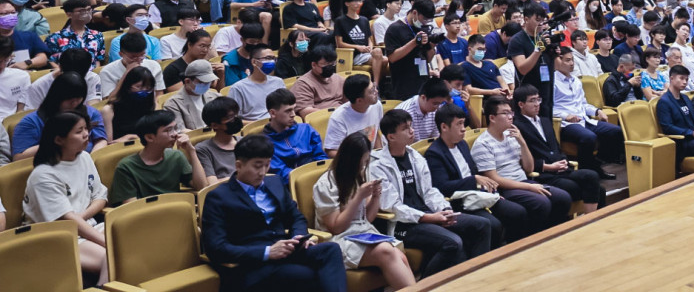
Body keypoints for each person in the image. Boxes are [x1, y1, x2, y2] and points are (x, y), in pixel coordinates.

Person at [200, 134, 349, 292]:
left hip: (285, 251)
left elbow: (296, 217)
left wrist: (298, 237)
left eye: (267, 165)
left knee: (331, 250)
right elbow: (216, 248)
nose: (263, 172)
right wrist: (267, 252)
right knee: (310, 275)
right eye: (257, 166)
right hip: (252, 264)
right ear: (238, 165)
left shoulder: (275, 183)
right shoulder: (218, 197)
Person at [369, 107, 497, 274]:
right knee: (453, 242)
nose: (411, 131)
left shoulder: (415, 157)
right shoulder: (377, 166)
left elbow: (430, 191)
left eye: (411, 126)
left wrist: (444, 209)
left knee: (482, 225)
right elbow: (392, 206)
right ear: (391, 136)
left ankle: (476, 276)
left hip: (429, 214)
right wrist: (428, 218)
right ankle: (425, 285)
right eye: (405, 128)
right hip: (405, 224)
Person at [311, 132, 416, 288]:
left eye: (366, 161)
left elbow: (368, 218)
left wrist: (375, 197)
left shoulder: (360, 174)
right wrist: (358, 197)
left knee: (401, 256)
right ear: (350, 160)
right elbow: (336, 227)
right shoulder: (325, 184)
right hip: (338, 240)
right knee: (386, 252)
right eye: (362, 162)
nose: (364, 167)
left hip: (364, 232)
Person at [22, 111, 110, 284]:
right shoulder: (43, 175)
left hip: (87, 226)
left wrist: (82, 217)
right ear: (58, 139)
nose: (86, 134)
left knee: (136, 240)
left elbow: (100, 196)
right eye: (78, 131)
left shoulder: (85, 157)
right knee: (113, 256)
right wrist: (108, 242)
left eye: (86, 128)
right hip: (56, 238)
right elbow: (66, 219)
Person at [423, 104, 529, 241]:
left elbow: (474, 173)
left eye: (464, 123)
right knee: (493, 224)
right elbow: (442, 187)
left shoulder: (462, 144)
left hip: (479, 194)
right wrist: (474, 180)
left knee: (517, 212)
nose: (463, 129)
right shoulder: (434, 153)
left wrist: (490, 192)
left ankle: (515, 248)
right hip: (461, 200)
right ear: (444, 127)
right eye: (459, 124)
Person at [471, 96, 572, 235]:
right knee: (541, 202)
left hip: (524, 181)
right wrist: (529, 187)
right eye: (505, 113)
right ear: (492, 118)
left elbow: (529, 168)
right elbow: (494, 179)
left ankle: (553, 235)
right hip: (505, 188)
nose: (510, 116)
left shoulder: (511, 135)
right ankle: (535, 239)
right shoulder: (483, 144)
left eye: (511, 112)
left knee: (563, 197)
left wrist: (522, 142)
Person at [512, 85, 604, 213]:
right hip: (543, 175)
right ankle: (590, 220)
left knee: (596, 182)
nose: (537, 104)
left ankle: (596, 220)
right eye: (532, 100)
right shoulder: (517, 126)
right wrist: (549, 167)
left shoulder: (545, 121)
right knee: (585, 187)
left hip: (561, 170)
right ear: (521, 104)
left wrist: (563, 161)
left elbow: (556, 147)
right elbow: (521, 159)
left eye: (538, 100)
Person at [551, 48, 622, 178]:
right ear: (557, 61)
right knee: (589, 137)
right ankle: (588, 171)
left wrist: (597, 110)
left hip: (584, 119)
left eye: (572, 60)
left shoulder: (576, 80)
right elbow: (549, 108)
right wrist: (566, 116)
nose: (572, 63)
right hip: (566, 123)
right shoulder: (552, 82)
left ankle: (596, 163)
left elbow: (583, 104)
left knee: (615, 131)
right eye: (567, 60)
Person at [109, 110, 207, 204]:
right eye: (168, 130)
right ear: (149, 137)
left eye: (175, 128)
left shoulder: (176, 157)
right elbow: (130, 206)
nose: (175, 134)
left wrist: (192, 152)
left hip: (174, 212)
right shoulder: (126, 167)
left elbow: (202, 187)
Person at [262, 88, 327, 180]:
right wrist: (308, 178)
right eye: (288, 111)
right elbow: (282, 173)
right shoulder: (265, 143)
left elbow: (321, 157)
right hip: (291, 186)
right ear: (273, 113)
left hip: (320, 178)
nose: (293, 114)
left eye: (293, 109)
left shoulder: (306, 129)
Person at [324, 74, 383, 155]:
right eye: (371, 91)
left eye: (374, 87)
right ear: (359, 100)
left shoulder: (376, 105)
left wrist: (380, 154)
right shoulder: (338, 118)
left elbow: (376, 133)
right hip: (350, 162)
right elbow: (331, 151)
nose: (376, 91)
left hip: (370, 157)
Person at [227, 44, 286, 122]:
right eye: (268, 58)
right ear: (254, 62)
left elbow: (286, 107)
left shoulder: (278, 82)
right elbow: (233, 119)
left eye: (273, 58)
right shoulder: (238, 88)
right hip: (254, 129)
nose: (272, 61)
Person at [100, 65, 157, 142]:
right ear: (128, 86)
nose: (144, 91)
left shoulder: (152, 104)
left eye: (148, 88)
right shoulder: (109, 110)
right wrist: (126, 138)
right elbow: (107, 144)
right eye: (139, 87)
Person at [196, 97, 242, 186]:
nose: (235, 119)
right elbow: (212, 183)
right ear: (214, 125)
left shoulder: (245, 142)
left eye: (235, 114)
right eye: (230, 117)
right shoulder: (203, 149)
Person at [163, 59, 221, 130]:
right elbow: (180, 131)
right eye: (202, 82)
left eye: (209, 82)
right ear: (187, 81)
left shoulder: (216, 97)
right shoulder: (173, 104)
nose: (207, 85)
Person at [292, 45, 345, 118]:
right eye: (325, 64)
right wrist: (335, 114)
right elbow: (305, 112)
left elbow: (350, 101)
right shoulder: (303, 83)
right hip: (321, 120)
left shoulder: (339, 79)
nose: (330, 67)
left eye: (333, 64)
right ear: (314, 65)